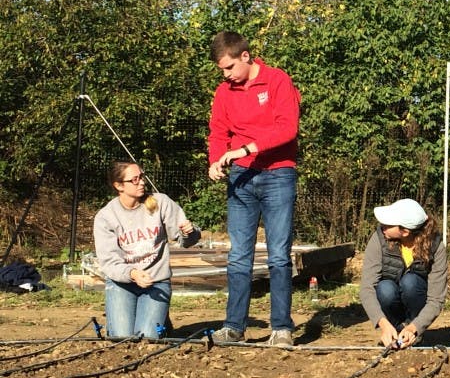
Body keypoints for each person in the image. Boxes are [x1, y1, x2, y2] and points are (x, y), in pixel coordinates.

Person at [207, 31, 301, 347]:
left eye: (230, 67)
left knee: (278, 255)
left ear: (245, 56)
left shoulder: (277, 81)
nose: (226, 75)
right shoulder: (224, 92)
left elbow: (287, 128)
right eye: (222, 70)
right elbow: (218, 132)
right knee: (239, 256)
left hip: (278, 175)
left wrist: (245, 149)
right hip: (241, 178)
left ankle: (281, 328)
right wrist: (215, 160)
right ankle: (234, 327)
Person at [93, 162, 201, 338]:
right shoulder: (106, 217)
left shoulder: (160, 203)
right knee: (121, 338)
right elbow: (109, 262)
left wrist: (189, 232)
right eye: (134, 180)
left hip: (156, 282)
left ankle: (159, 319)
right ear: (119, 186)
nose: (141, 182)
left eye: (142, 177)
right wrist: (133, 273)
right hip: (122, 283)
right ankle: (156, 316)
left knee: (147, 337)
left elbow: (186, 241)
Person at [359, 198, 448, 349]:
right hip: (390, 296)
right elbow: (367, 289)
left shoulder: (436, 246)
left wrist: (415, 327)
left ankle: (412, 333)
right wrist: (383, 324)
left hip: (417, 298)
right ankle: (394, 331)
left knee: (410, 282)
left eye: (388, 224)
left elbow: (436, 299)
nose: (383, 227)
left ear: (405, 231)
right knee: (385, 288)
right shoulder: (379, 239)